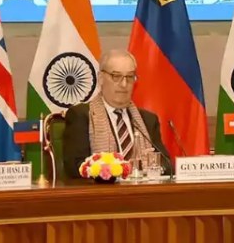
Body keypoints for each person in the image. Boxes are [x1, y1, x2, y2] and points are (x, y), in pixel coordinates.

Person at [62, 49, 169, 179]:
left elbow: (167, 165)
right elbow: (75, 167)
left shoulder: (147, 120)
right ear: (101, 78)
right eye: (116, 76)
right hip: (103, 191)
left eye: (129, 77)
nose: (124, 84)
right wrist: (110, 170)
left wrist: (153, 166)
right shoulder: (81, 116)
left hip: (142, 190)